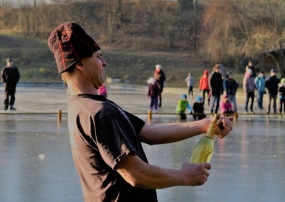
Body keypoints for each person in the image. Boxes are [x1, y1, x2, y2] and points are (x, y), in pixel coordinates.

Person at [48, 22, 233, 202]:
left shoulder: (82, 106)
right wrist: (184, 176)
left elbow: (148, 133)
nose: (104, 63)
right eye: (98, 56)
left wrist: (204, 125)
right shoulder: (100, 113)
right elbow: (136, 174)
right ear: (80, 63)